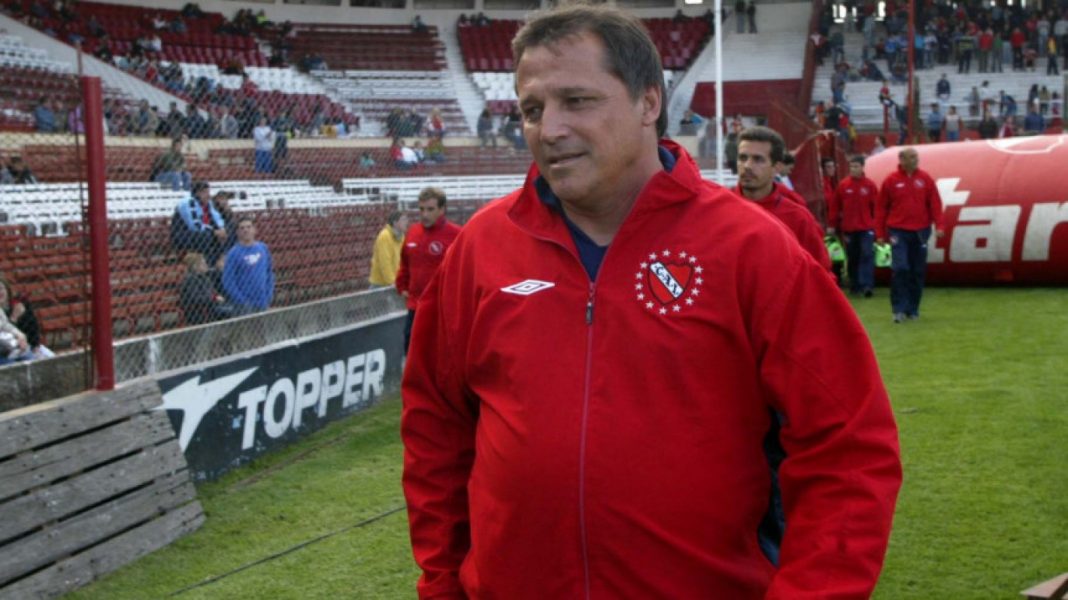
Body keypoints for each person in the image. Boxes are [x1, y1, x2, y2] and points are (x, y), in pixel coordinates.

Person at [401, 7, 901, 599]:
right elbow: (435, 431)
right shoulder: (482, 248)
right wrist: (442, 584)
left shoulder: (752, 247)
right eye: (532, 110)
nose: (548, 129)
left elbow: (848, 445)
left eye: (577, 101)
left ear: (648, 102)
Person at [736, 129, 832, 271]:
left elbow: (820, 271)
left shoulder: (798, 218)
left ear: (777, 167)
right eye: (742, 158)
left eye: (758, 159)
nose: (747, 166)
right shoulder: (720, 209)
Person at [876, 147, 944, 323]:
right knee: (901, 268)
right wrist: (879, 233)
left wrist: (940, 225)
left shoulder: (925, 179)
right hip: (898, 230)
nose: (916, 160)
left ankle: (912, 310)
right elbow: (881, 208)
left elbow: (935, 204)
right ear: (902, 160)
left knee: (917, 270)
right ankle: (898, 309)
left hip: (921, 230)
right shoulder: (891, 180)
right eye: (912, 157)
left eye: (916, 156)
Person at [395, 187, 459, 354]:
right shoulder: (413, 232)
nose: (424, 214)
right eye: (421, 209)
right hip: (416, 306)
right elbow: (405, 262)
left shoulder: (456, 235)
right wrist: (402, 286)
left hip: (442, 309)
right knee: (411, 352)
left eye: (430, 209)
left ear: (442, 209)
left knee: (440, 355)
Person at [828, 155, 878, 296]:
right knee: (853, 257)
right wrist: (832, 224)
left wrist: (876, 225)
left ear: (862, 167)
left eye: (856, 166)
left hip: (866, 228)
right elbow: (835, 206)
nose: (853, 169)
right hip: (849, 228)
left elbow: (877, 207)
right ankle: (855, 285)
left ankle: (867, 285)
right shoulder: (844, 185)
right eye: (851, 166)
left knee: (867, 254)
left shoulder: (870, 185)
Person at [222, 218, 274, 313]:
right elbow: (228, 281)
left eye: (249, 227)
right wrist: (242, 301)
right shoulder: (233, 253)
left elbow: (269, 272)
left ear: (254, 230)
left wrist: (269, 295)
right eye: (242, 228)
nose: (245, 230)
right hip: (244, 305)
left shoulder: (263, 248)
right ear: (237, 232)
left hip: (263, 301)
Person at [171, 181, 229, 263]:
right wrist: (214, 231)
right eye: (205, 192)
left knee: (228, 230)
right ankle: (210, 261)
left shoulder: (208, 203)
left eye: (208, 192)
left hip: (203, 231)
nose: (208, 195)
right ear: (197, 193)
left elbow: (216, 216)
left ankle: (222, 258)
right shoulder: (188, 202)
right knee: (207, 236)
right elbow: (195, 225)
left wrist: (221, 228)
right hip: (183, 234)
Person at [0, 277, 52, 359]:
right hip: (7, 349)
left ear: (7, 289)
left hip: (28, 346)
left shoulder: (19, 304)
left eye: (1, 288)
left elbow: (33, 326)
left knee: (50, 358)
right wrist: (14, 318)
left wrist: (35, 346)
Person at [179, 252, 233, 324]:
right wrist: (214, 298)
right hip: (199, 310)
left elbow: (213, 292)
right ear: (195, 266)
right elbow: (196, 298)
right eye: (203, 264)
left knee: (235, 308)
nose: (206, 265)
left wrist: (216, 296)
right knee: (233, 311)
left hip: (212, 306)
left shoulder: (204, 277)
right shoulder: (190, 279)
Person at [368, 211, 409, 288]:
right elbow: (385, 263)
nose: (406, 222)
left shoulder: (401, 237)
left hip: (396, 282)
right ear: (395, 223)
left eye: (406, 219)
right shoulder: (385, 236)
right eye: (403, 219)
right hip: (381, 284)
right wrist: (392, 282)